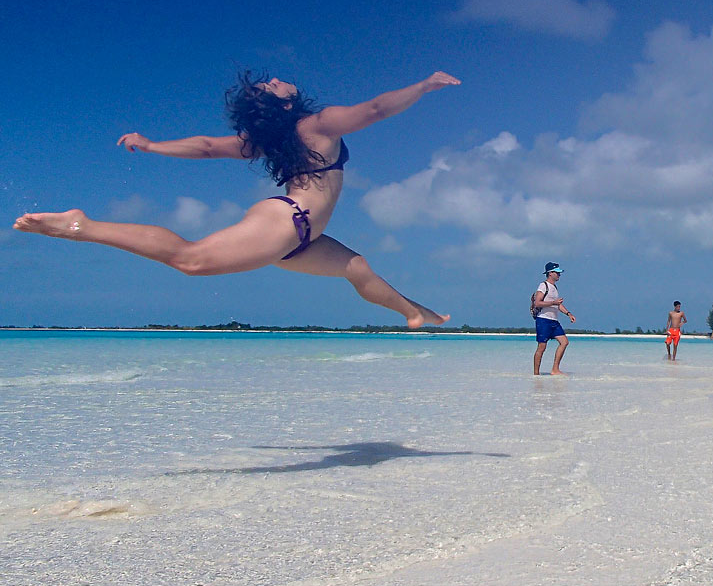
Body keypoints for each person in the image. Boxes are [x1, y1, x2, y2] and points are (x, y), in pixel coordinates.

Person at [13, 70, 460, 327]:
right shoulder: (319, 124)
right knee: (192, 260)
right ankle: (82, 225)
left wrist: (151, 146)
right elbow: (378, 109)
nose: (280, 79)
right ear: (282, 105)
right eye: (272, 84)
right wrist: (422, 87)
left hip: (300, 236)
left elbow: (208, 146)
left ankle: (416, 313)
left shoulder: (275, 138)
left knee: (358, 268)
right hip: (289, 220)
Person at [532, 262, 575, 375]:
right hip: (543, 320)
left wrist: (568, 313)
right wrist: (553, 302)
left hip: (554, 321)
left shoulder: (554, 287)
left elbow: (558, 305)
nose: (559, 275)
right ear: (550, 273)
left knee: (564, 342)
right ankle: (536, 374)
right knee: (542, 347)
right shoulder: (543, 286)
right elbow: (537, 303)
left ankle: (555, 369)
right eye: (557, 273)